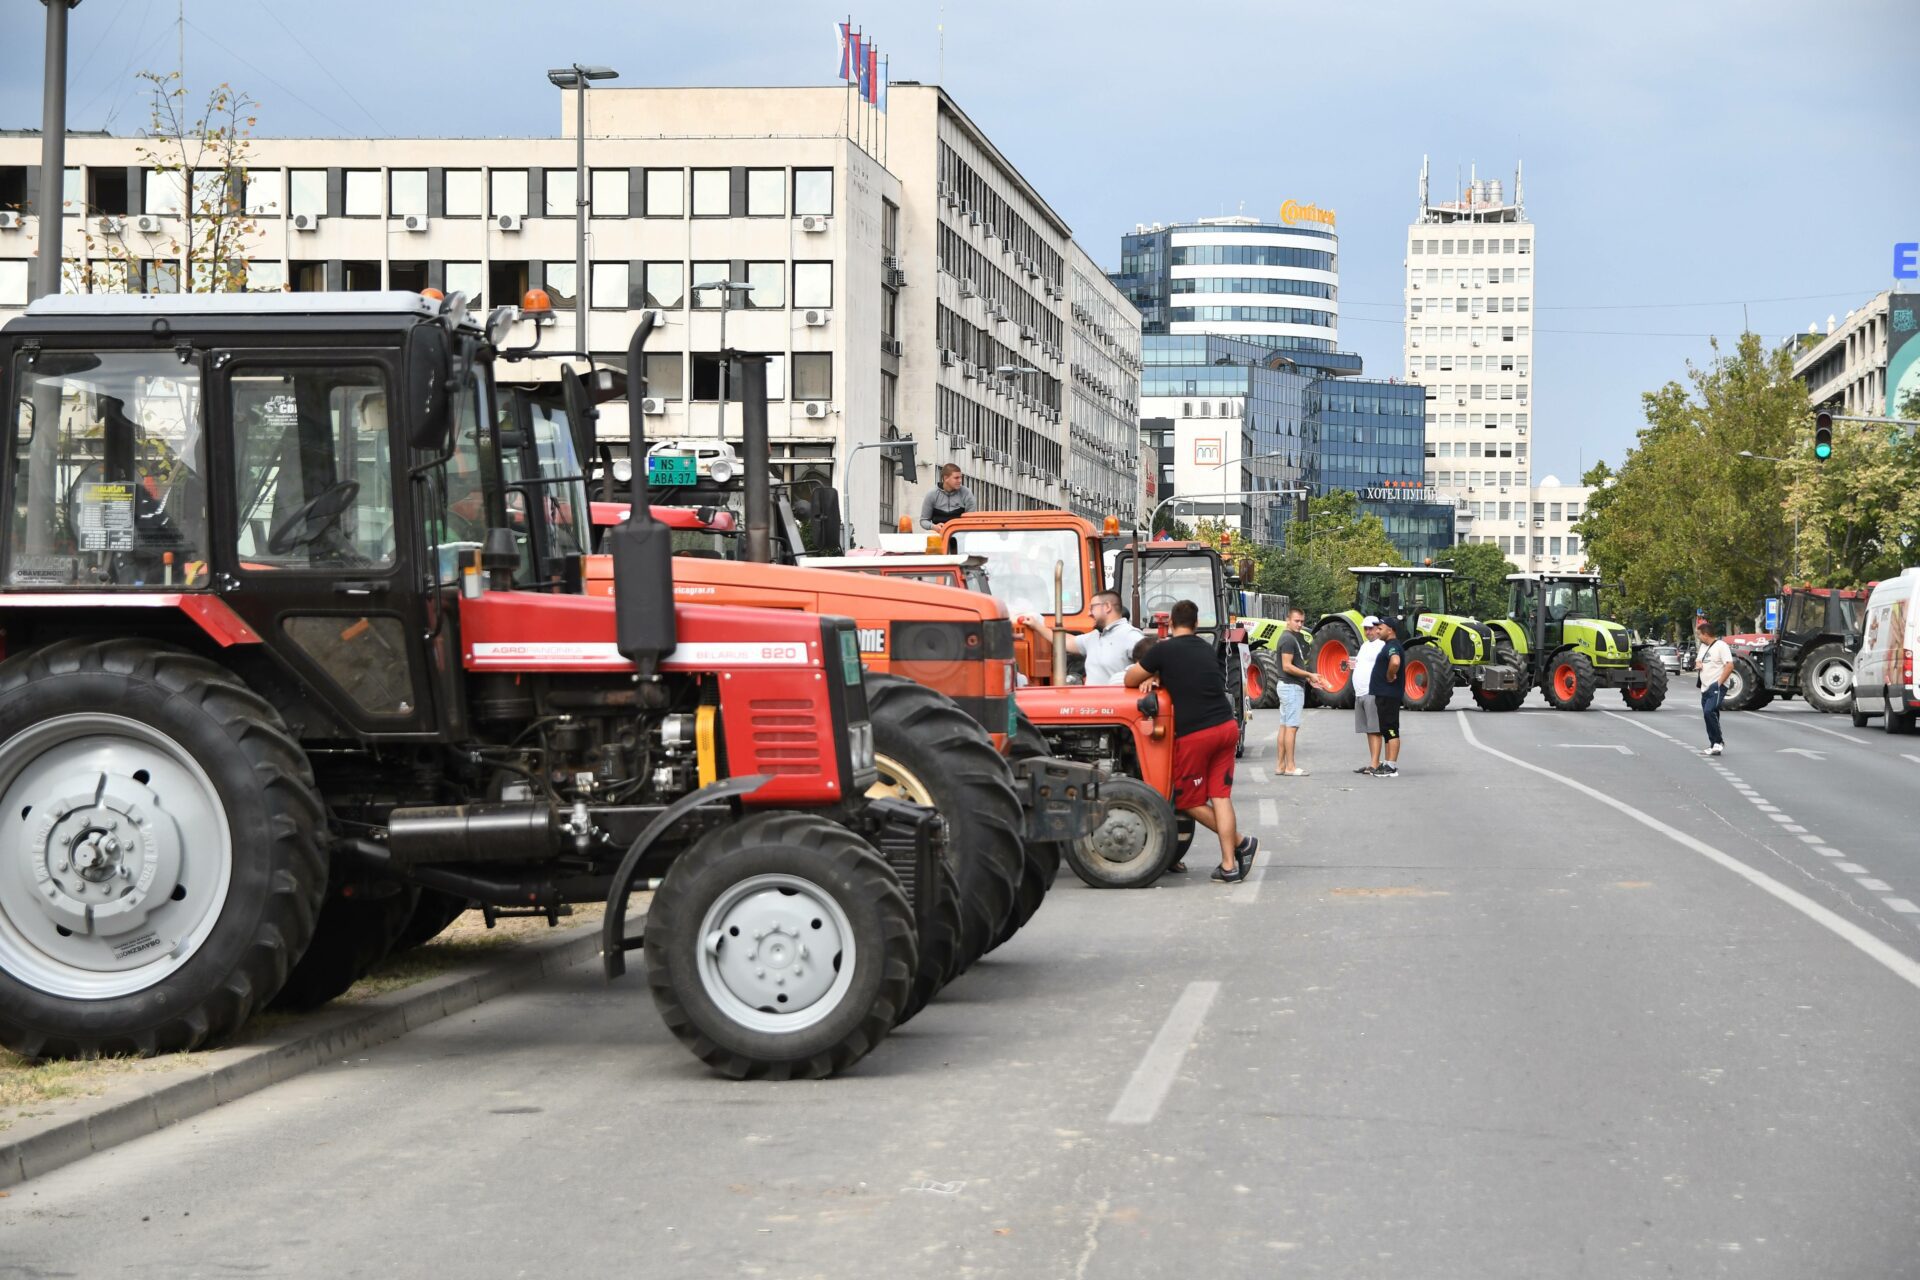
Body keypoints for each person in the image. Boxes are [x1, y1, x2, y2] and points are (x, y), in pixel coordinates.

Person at [1126, 600, 1257, 883]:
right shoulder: (1207, 649)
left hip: (1197, 734)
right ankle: (1229, 866)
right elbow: (1191, 677)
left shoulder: (1163, 650)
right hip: (1227, 727)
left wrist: (1152, 675)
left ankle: (1241, 842)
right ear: (1196, 624)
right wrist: (1160, 675)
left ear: (1171, 623)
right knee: (1220, 796)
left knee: (1188, 801)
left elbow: (1129, 678)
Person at [1019, 590, 1142, 685]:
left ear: (1107, 607)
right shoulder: (1094, 637)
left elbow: (1150, 662)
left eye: (1092, 608)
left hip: (1115, 707)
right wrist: (1037, 626)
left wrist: (1150, 678)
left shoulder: (1130, 635)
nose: (1089, 613)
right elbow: (1066, 641)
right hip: (1093, 705)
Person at [1272, 606, 1327, 777]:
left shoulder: (1290, 637)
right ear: (1288, 620)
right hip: (1291, 687)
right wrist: (1309, 675)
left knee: (1284, 726)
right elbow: (1287, 666)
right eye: (1296, 621)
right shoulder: (1288, 639)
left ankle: (1281, 766)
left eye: (1302, 621)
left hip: (1287, 686)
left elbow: (1292, 666)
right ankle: (1290, 766)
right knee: (1291, 727)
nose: (1300, 624)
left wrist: (1308, 679)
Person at [1369, 618, 1406, 777]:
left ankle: (1391, 765)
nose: (1377, 631)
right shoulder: (1388, 645)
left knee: (1391, 729)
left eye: (1380, 628)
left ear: (1390, 630)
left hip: (1389, 694)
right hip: (1384, 694)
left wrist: (1390, 675)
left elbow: (1395, 662)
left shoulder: (1392, 646)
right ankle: (1386, 762)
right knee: (1386, 730)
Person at [1350, 615, 1386, 775]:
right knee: (1368, 730)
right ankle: (1374, 762)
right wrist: (1353, 665)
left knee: (1375, 730)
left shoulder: (1381, 645)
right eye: (1365, 629)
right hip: (1361, 692)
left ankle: (1375, 763)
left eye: (1370, 628)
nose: (1368, 631)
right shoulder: (1365, 645)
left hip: (1372, 692)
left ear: (1378, 629)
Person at [1695, 618, 1733, 756]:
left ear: (1706, 634)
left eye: (1699, 635)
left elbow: (1729, 665)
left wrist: (1718, 683)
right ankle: (1714, 744)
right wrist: (1698, 664)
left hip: (1717, 686)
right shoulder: (1703, 647)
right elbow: (1699, 659)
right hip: (1705, 687)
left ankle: (1718, 742)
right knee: (1711, 714)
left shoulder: (1721, 646)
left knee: (1708, 711)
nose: (1698, 637)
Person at [918, 463, 977, 529]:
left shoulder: (966, 493)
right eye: (956, 478)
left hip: (960, 533)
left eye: (961, 477)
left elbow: (971, 520)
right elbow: (924, 520)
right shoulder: (932, 494)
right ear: (946, 478)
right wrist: (933, 527)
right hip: (938, 533)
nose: (960, 481)